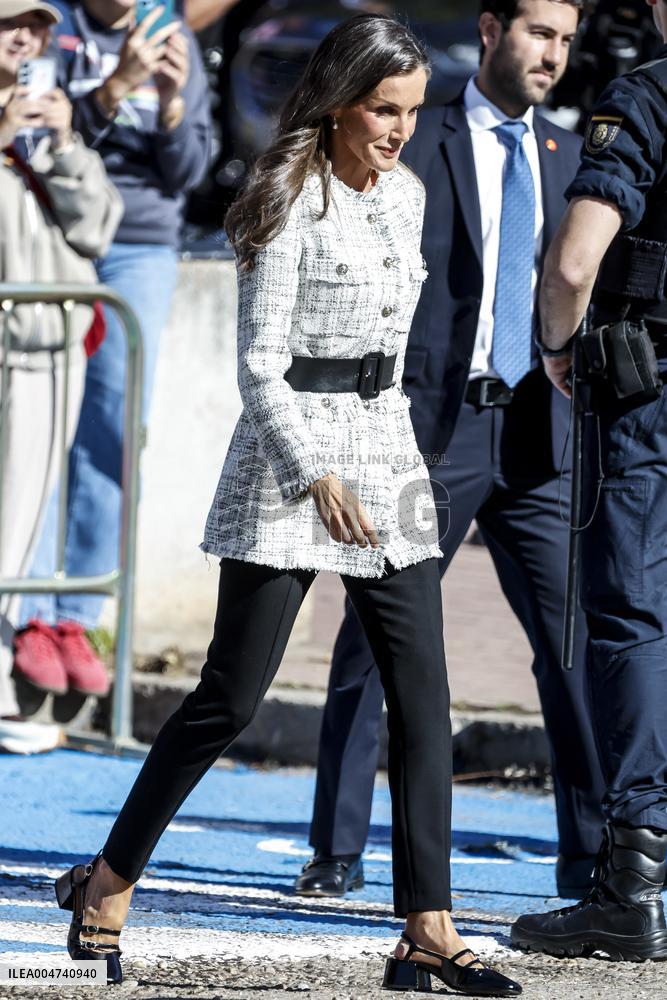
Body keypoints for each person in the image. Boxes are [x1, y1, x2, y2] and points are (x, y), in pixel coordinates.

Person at [52, 15, 522, 996]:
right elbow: (260, 368)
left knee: (422, 695)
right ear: (340, 103)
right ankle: (107, 878)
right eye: (381, 109)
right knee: (229, 694)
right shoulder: (286, 198)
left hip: (383, 449)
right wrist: (315, 472)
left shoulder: (405, 196)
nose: (399, 129)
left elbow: (390, 349)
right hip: (286, 457)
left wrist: (390, 462)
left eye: (410, 111)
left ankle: (424, 927)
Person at [295, 0, 605, 905]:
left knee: (572, 642)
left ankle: (590, 859)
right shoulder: (413, 137)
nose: (552, 54)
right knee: (374, 634)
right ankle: (338, 847)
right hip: (427, 428)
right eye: (537, 32)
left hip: (536, 435)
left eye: (563, 40)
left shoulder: (570, 154)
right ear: (488, 28)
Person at [511, 0, 667, 963]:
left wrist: (557, 347)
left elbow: (573, 261)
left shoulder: (647, 94)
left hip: (650, 398)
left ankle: (632, 881)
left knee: (632, 617)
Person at [12, 0, 211, 698]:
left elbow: (188, 173)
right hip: (55, 231)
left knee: (112, 430)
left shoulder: (170, 34)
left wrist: (168, 110)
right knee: (40, 423)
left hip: (141, 247)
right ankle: (28, 610)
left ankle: (78, 618)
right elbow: (37, 144)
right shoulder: (46, 25)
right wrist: (116, 87)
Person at [0, 0, 121, 751]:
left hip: (51, 347)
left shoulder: (49, 120)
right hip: (13, 344)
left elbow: (98, 224)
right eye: (10, 23)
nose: (26, 38)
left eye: (39, 27)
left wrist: (66, 142)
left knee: (20, 521)